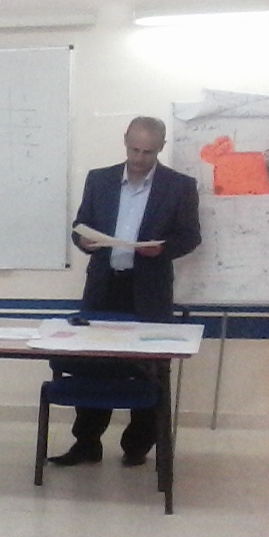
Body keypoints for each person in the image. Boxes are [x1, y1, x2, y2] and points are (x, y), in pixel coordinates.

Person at [51, 116, 202, 467]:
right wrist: (83, 240)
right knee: (92, 364)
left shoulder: (179, 186)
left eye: (147, 152)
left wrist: (162, 249)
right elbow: (80, 225)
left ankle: (137, 447)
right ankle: (87, 443)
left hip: (148, 289)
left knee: (148, 369)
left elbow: (190, 236)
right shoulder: (99, 179)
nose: (138, 158)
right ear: (125, 141)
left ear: (161, 148)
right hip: (104, 286)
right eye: (134, 149)